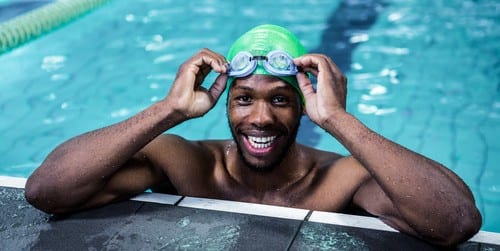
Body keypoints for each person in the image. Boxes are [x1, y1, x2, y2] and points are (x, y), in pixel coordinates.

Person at [25, 24, 481, 246]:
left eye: (280, 100)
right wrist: (168, 111)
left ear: (303, 105)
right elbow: (48, 190)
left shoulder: (340, 179)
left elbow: (455, 223)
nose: (260, 117)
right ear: (225, 103)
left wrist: (341, 120)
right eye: (244, 99)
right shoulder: (188, 164)